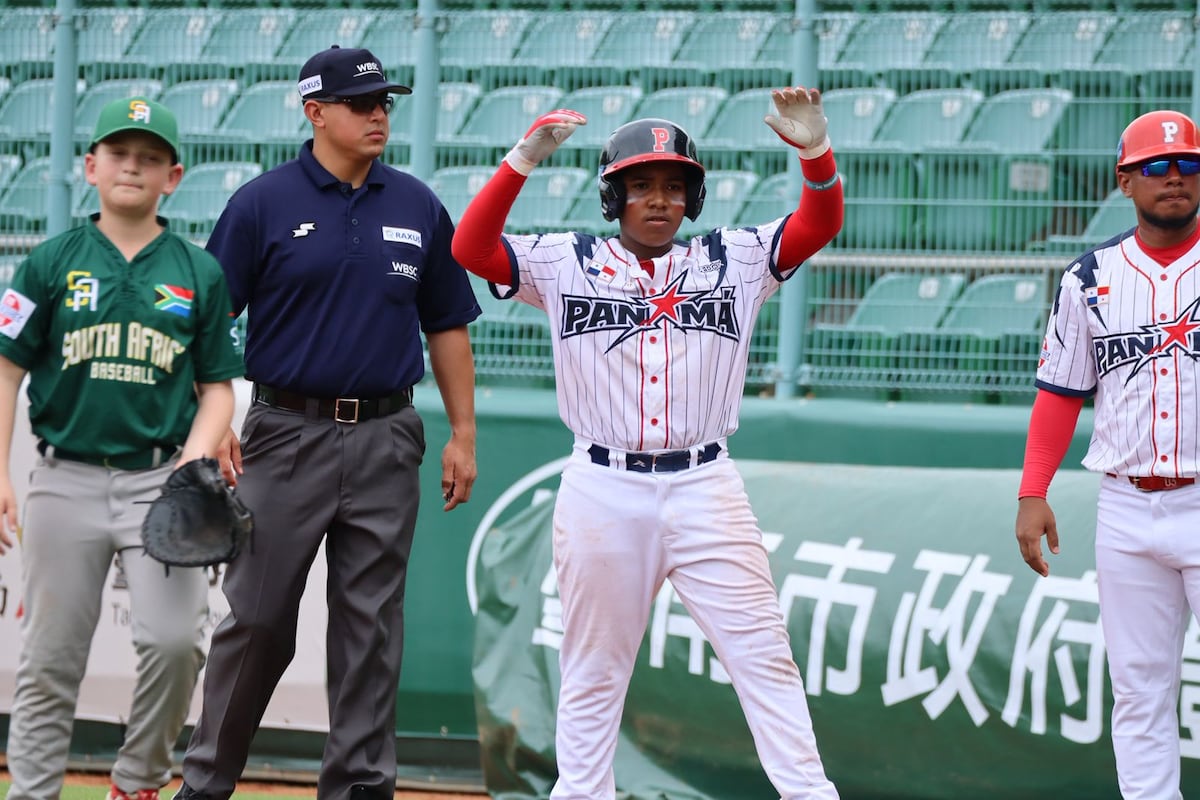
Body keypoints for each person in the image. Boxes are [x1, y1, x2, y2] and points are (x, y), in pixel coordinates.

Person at [452, 87, 843, 798]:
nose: (658, 200)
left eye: (673, 185)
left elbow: (819, 225)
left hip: (706, 487)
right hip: (604, 486)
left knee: (763, 656)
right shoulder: (566, 261)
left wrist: (816, 155)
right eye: (640, 186)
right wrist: (521, 161)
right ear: (614, 198)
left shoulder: (738, 256)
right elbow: (469, 247)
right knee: (595, 667)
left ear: (693, 198)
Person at [173, 45, 479, 800]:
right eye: (362, 103)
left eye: (385, 102)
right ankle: (206, 786)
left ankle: (359, 792)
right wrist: (216, 418)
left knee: (370, 632)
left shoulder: (417, 204)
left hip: (387, 435)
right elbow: (210, 322)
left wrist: (463, 433)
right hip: (284, 433)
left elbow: (447, 325)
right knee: (257, 621)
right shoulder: (261, 203)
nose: (379, 115)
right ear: (315, 112)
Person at [0, 96, 242, 800]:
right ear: (90, 166)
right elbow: (8, 370)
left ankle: (137, 780)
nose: (132, 167)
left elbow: (219, 388)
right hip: (64, 479)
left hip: (156, 484)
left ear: (173, 176)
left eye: (150, 158)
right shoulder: (50, 263)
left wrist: (195, 459)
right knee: (49, 662)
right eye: (118, 154)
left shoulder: (199, 272)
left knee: (174, 644)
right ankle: (34, 793)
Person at [1015, 108, 1200, 799]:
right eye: (1157, 166)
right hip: (1126, 505)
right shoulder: (1088, 277)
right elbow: (1061, 394)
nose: (1175, 177)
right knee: (1139, 691)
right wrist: (1033, 493)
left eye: (1188, 165)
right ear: (1125, 180)